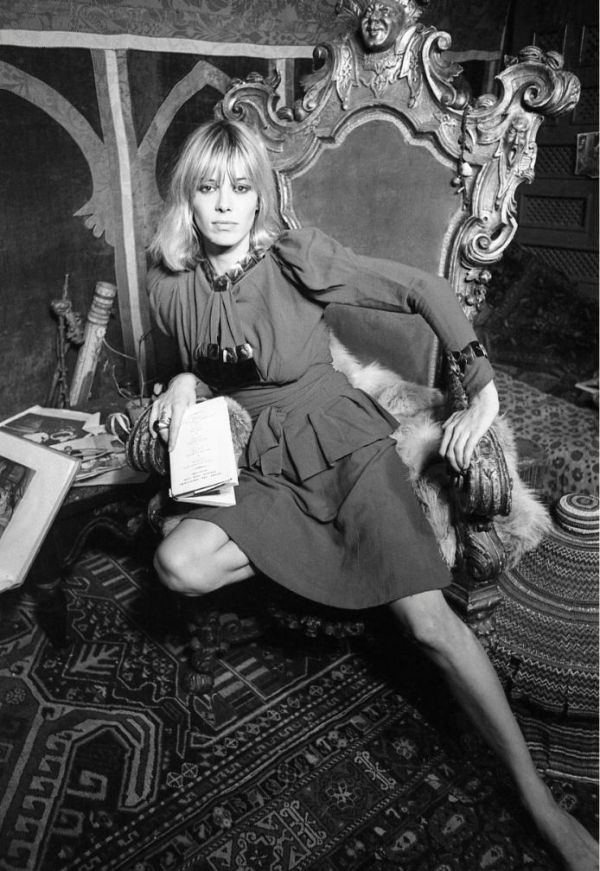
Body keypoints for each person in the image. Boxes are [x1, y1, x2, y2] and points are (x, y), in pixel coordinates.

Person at [146, 119, 597, 871]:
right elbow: (202, 354)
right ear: (186, 200)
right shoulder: (170, 286)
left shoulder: (295, 258)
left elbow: (423, 288)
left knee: (429, 626)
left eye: (241, 187)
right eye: (208, 188)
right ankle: (327, 556)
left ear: (260, 197)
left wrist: (483, 389)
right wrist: (186, 379)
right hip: (263, 458)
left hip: (342, 442)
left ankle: (538, 800)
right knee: (178, 564)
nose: (224, 204)